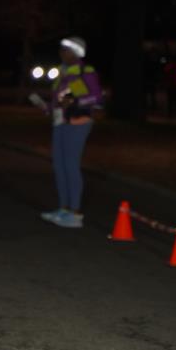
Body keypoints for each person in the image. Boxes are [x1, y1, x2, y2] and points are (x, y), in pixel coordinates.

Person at [39, 36, 103, 229]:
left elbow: (96, 98)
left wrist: (75, 101)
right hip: (60, 122)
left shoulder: (85, 71)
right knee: (59, 166)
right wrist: (48, 107)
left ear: (77, 52)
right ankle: (64, 209)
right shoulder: (63, 72)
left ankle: (75, 213)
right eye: (61, 49)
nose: (62, 53)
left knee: (70, 165)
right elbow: (60, 98)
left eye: (66, 49)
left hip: (78, 122)